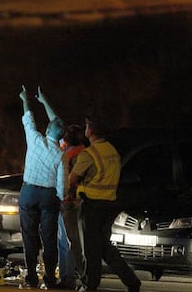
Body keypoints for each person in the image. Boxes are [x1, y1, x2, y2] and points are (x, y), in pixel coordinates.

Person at [69, 111, 141, 292]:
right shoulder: (112, 151)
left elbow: (72, 178)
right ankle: (131, 282)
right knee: (103, 246)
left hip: (92, 205)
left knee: (92, 248)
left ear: (90, 130)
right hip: (110, 204)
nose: (85, 129)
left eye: (87, 126)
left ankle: (90, 284)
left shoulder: (89, 154)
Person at [18, 85, 69, 289]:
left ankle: (31, 275)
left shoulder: (35, 139)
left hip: (29, 192)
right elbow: (62, 185)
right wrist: (62, 198)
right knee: (49, 238)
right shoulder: (61, 154)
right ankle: (49, 276)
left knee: (29, 235)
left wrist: (25, 99)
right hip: (49, 197)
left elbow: (28, 118)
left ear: (47, 129)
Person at [57, 124, 86, 289]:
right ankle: (74, 276)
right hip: (70, 202)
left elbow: (74, 179)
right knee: (70, 241)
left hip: (69, 203)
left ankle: (79, 276)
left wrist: (70, 196)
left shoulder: (75, 155)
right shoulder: (79, 152)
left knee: (71, 241)